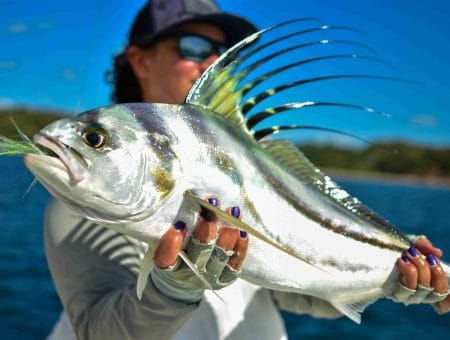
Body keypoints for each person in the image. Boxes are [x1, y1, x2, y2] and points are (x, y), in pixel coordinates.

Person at [46, 1, 450, 339]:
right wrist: (171, 287)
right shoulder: (78, 206)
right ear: (140, 59)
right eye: (192, 45)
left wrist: (392, 274)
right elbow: (98, 331)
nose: (211, 61)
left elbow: (294, 291)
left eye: (222, 52)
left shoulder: (262, 159)